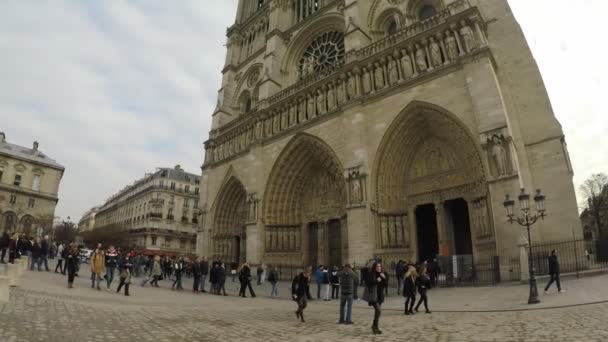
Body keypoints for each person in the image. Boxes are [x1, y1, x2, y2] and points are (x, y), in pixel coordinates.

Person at [365, 262, 387, 335]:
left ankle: (375, 327)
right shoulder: (371, 273)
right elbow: (368, 283)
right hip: (373, 295)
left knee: (377, 312)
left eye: (380, 266)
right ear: (375, 267)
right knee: (378, 310)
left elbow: (385, 285)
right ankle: (375, 327)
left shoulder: (382, 274)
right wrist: (376, 280)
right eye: (377, 266)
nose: (379, 268)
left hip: (380, 296)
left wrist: (384, 278)